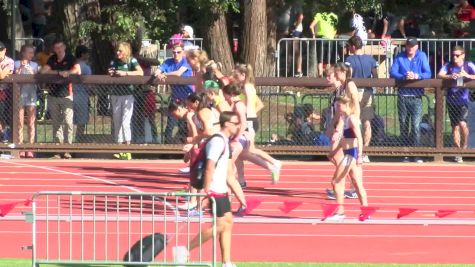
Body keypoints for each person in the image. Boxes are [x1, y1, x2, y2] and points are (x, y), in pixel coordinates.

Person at [173, 111, 246, 267]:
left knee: (228, 224)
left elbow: (229, 175)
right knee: (220, 225)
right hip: (213, 190)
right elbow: (209, 167)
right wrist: (206, 191)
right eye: (235, 123)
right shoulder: (217, 141)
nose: (238, 126)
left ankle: (227, 262)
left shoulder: (226, 143)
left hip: (221, 190)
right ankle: (184, 250)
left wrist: (241, 197)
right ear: (227, 124)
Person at [325, 96, 368, 221]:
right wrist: (334, 151)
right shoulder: (343, 119)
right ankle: (365, 211)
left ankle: (340, 212)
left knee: (336, 182)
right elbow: (344, 140)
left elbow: (359, 138)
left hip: (352, 154)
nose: (337, 108)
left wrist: (359, 155)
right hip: (347, 153)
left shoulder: (352, 119)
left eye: (339, 106)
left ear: (346, 105)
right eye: (336, 106)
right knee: (357, 184)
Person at [390, 37, 431, 163]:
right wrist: (404, 76)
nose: (410, 48)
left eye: (412, 46)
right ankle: (405, 153)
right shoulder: (400, 57)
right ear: (405, 46)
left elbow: (428, 73)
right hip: (403, 96)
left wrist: (416, 76)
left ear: (417, 46)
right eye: (408, 46)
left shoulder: (422, 56)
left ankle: (416, 153)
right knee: (403, 125)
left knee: (416, 126)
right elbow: (392, 72)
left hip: (417, 97)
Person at [40, 39, 81, 159]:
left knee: (68, 122)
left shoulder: (70, 58)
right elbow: (43, 71)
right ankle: (58, 149)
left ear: (64, 47)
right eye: (56, 48)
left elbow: (77, 70)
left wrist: (68, 72)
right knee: (56, 123)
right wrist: (58, 72)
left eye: (60, 47)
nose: (58, 50)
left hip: (66, 95)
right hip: (53, 95)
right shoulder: (52, 59)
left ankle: (68, 149)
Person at [325, 64, 360, 200]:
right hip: (343, 123)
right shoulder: (341, 89)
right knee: (339, 156)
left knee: (339, 156)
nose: (331, 76)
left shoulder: (349, 85)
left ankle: (343, 185)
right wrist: (331, 126)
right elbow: (339, 110)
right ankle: (351, 186)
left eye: (334, 73)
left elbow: (355, 104)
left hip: (349, 123)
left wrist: (351, 122)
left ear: (341, 73)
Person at [438, 46, 475, 163]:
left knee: (463, 124)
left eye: (457, 55)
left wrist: (467, 76)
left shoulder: (468, 65)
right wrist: (450, 76)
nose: (454, 57)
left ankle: (464, 148)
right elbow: (440, 74)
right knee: (455, 127)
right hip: (451, 100)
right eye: (453, 55)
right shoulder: (449, 65)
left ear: (463, 56)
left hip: (463, 100)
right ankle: (458, 152)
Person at [344, 36, 378, 162]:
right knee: (367, 123)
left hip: (355, 92)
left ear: (353, 47)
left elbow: (349, 74)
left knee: (354, 121)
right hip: (368, 92)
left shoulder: (350, 59)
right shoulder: (370, 59)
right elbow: (375, 75)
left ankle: (355, 150)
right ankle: (365, 151)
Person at [108, 41, 144, 160]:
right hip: (115, 95)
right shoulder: (114, 61)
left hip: (128, 95)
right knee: (117, 121)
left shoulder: (131, 61)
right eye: (117, 50)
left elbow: (140, 72)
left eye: (120, 51)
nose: (118, 53)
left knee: (125, 122)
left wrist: (125, 73)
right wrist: (111, 73)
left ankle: (127, 149)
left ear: (126, 51)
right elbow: (110, 71)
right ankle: (118, 148)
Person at [154, 43, 193, 144]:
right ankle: (167, 147)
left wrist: (164, 74)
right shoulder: (168, 62)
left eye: (179, 52)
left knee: (185, 124)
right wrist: (158, 74)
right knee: (171, 123)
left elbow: (178, 73)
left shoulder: (186, 61)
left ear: (183, 52)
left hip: (188, 98)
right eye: (174, 52)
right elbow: (157, 71)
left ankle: (184, 146)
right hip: (175, 98)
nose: (176, 54)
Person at [14, 44, 38, 157]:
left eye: (32, 53)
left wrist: (31, 72)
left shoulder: (35, 65)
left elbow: (38, 80)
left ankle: (30, 147)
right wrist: (20, 69)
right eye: (29, 52)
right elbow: (14, 78)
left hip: (31, 95)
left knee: (31, 122)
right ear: (23, 53)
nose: (31, 55)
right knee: (20, 122)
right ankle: (20, 146)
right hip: (19, 96)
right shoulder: (16, 63)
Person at [309, 9, 339, 77]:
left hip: (320, 38)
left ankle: (320, 76)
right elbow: (335, 29)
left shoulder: (319, 15)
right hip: (330, 39)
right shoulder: (334, 16)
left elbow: (311, 26)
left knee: (320, 60)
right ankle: (328, 77)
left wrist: (313, 35)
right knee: (328, 60)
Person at [74, 45, 92, 143]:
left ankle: (69, 142)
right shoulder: (86, 67)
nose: (88, 55)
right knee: (81, 122)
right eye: (87, 53)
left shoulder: (71, 65)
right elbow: (89, 84)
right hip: (82, 96)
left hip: (71, 94)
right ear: (82, 54)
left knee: (70, 121)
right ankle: (78, 140)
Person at [0, 41, 14, 143]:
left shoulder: (9, 61)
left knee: (3, 116)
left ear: (4, 50)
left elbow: (1, 76)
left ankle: (4, 136)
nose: (0, 52)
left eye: (1, 50)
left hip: (4, 92)